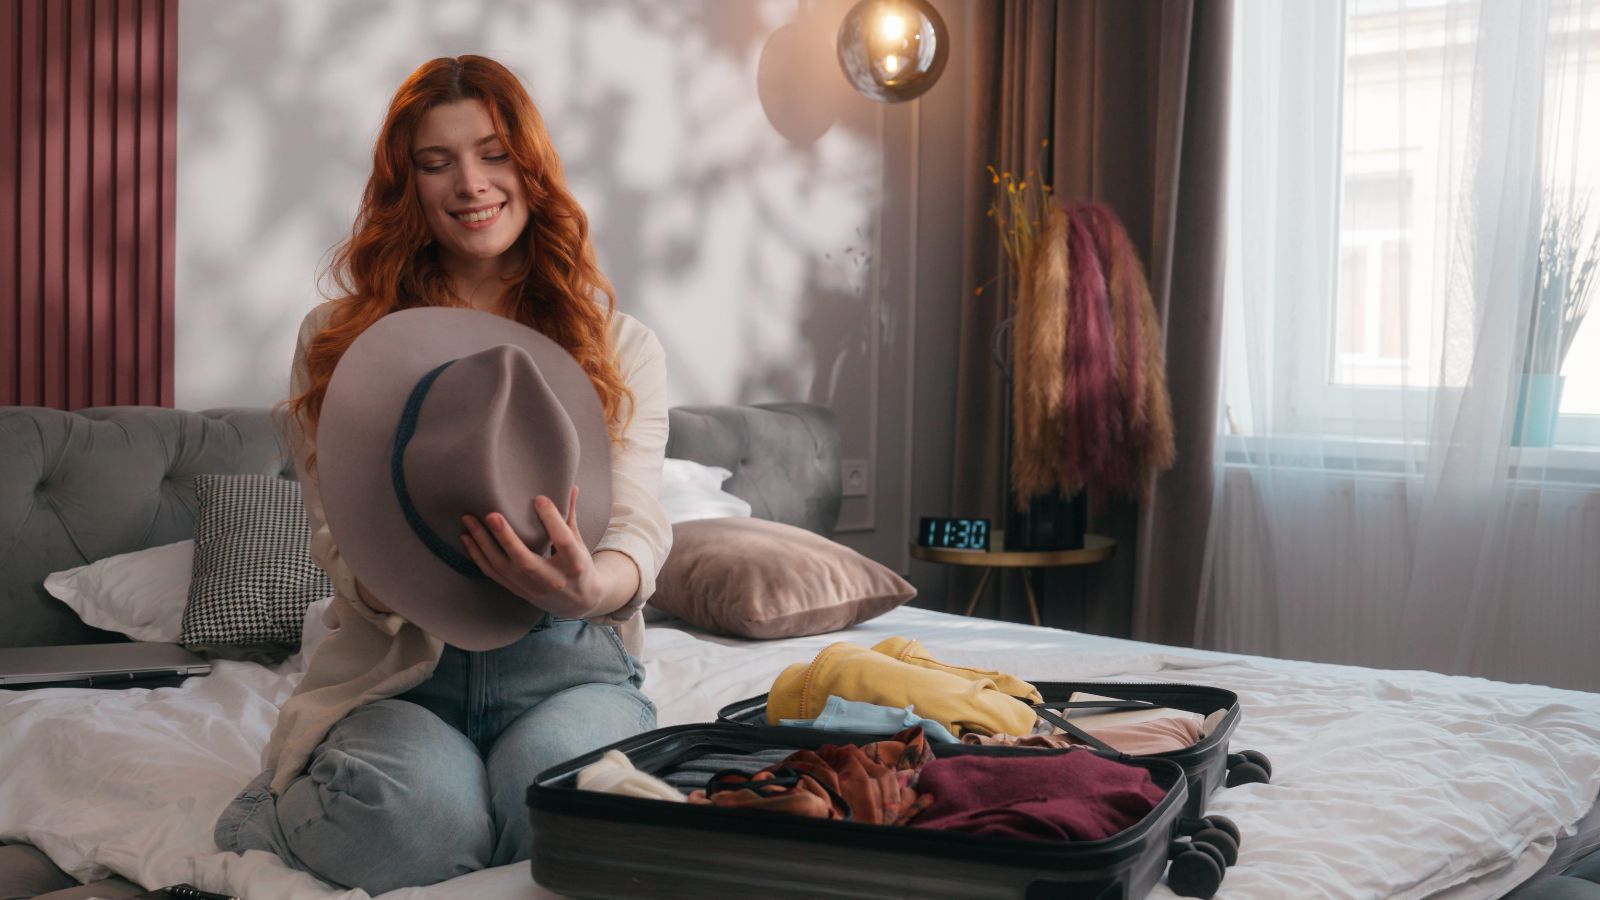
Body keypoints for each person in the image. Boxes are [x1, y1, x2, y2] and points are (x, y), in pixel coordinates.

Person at [212, 55, 672, 893]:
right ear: (407, 185)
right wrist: (408, 572)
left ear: (530, 167)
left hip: (567, 659)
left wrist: (589, 588)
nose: (471, 184)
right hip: (402, 667)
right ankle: (268, 810)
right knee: (415, 825)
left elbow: (639, 519)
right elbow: (336, 532)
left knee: (558, 810)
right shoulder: (339, 340)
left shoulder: (618, 342)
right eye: (436, 162)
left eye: (494, 153)